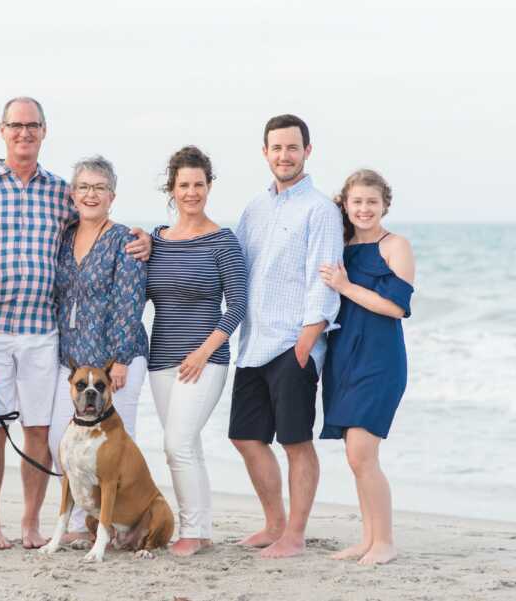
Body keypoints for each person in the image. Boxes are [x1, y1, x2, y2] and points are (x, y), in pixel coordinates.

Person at [0, 97, 151, 549]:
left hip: (43, 333)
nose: (24, 133)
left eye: (32, 126)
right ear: (2, 130)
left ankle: (32, 523)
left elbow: (99, 225)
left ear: (44, 131)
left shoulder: (61, 192)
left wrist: (144, 239)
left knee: (39, 430)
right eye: (16, 125)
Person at [230, 114, 344, 559]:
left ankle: (294, 534)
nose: (284, 155)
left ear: (307, 151)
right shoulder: (255, 208)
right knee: (245, 436)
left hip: (293, 344)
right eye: (276, 148)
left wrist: (307, 340)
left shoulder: (320, 209)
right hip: (253, 344)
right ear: (265, 153)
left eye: (292, 147)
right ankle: (274, 522)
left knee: (295, 441)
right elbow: (232, 263)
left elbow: (325, 279)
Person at [147, 146, 247, 557]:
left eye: (199, 184)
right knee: (184, 446)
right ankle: (200, 528)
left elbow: (238, 304)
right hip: (160, 362)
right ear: (171, 189)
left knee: (178, 443)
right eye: (184, 185)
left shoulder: (223, 242)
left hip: (204, 362)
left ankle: (191, 532)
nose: (192, 192)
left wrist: (204, 352)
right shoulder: (156, 240)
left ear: (209, 187)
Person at [47, 155, 149, 542]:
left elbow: (130, 301)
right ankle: (80, 526)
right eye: (84, 187)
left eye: (100, 187)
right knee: (66, 440)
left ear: (112, 195)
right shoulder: (64, 237)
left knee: (115, 449)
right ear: (72, 194)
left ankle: (122, 526)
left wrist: (120, 359)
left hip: (115, 362)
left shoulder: (124, 240)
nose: (91, 194)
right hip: (73, 361)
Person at [319, 169, 415, 565]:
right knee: (355, 456)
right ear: (345, 204)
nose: (364, 209)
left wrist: (345, 288)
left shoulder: (396, 245)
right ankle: (368, 539)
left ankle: (386, 542)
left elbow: (395, 307)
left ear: (384, 205)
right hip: (342, 356)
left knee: (363, 453)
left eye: (371, 202)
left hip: (380, 359)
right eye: (356, 201)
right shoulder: (339, 247)